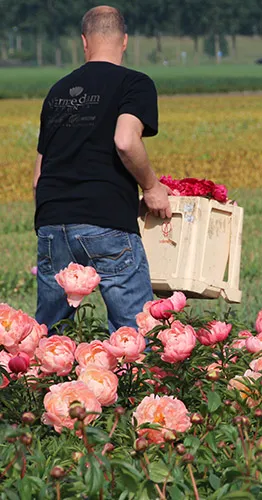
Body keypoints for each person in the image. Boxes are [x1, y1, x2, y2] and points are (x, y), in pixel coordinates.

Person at [33, 6, 172, 333]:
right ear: (124, 41)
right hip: (106, 220)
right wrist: (151, 187)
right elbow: (125, 140)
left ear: (84, 42)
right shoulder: (134, 84)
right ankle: (135, 385)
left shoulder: (57, 92)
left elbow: (39, 176)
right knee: (132, 338)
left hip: (52, 223)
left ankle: (41, 385)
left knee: (50, 342)